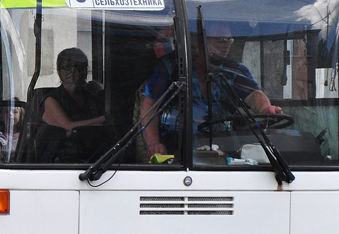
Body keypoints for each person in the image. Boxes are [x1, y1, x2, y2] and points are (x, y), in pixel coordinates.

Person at [140, 23, 282, 157]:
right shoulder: (173, 67)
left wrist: (265, 109)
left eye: (229, 40)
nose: (226, 46)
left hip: (222, 148)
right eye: (220, 40)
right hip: (175, 148)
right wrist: (154, 143)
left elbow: (253, 94)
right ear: (202, 41)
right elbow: (150, 103)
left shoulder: (234, 70)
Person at [37, 48, 108, 162]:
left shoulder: (91, 97)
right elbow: (69, 128)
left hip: (92, 158)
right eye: (68, 67)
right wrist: (104, 119)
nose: (75, 71)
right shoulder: (51, 99)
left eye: (80, 67)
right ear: (59, 72)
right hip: (60, 161)